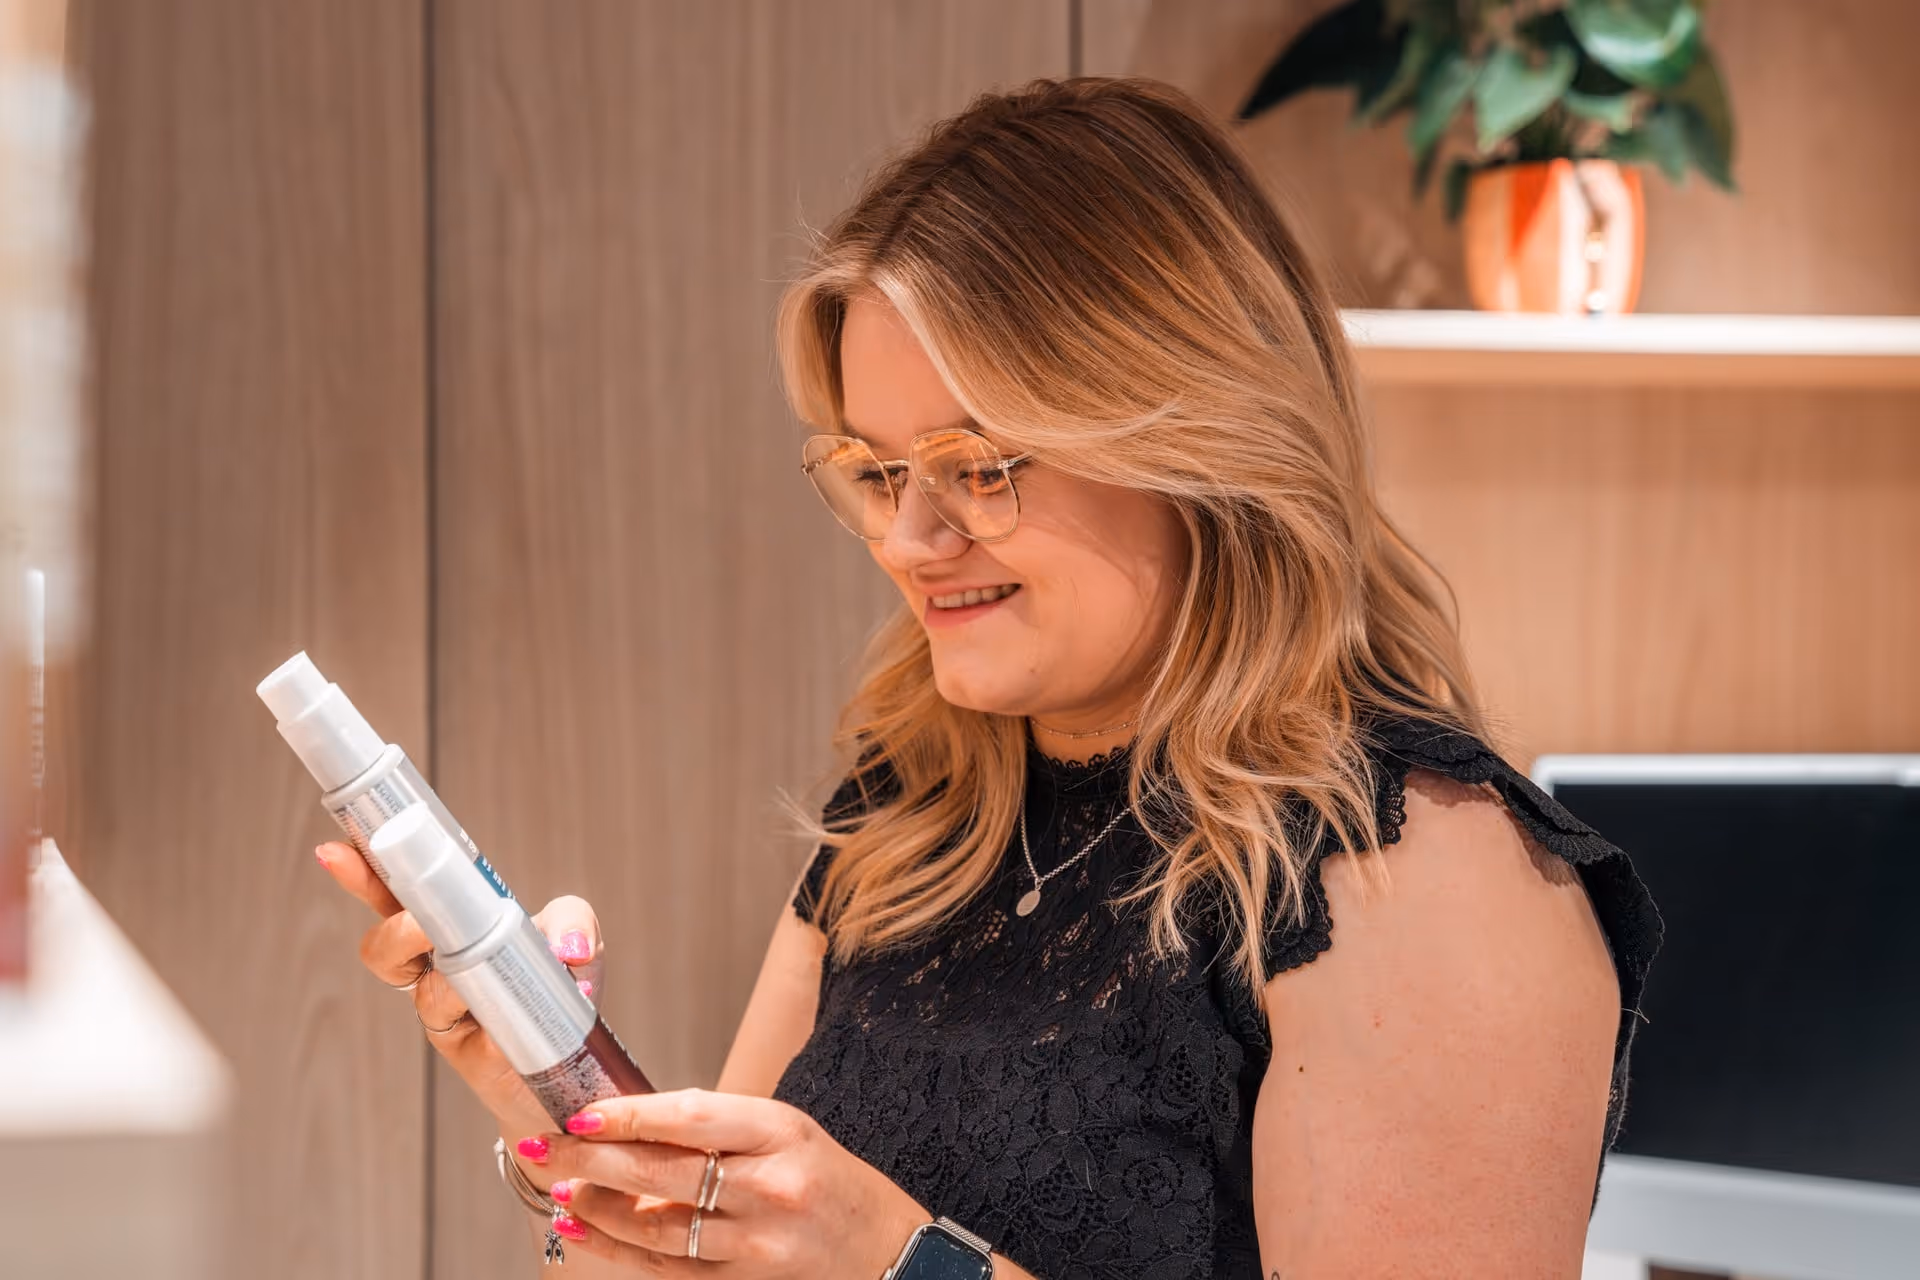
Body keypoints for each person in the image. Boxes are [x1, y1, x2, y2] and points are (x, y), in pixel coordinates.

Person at [320, 76, 1660, 1278]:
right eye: (877, 472)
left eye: (978, 465)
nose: (911, 541)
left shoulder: (1419, 872)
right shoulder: (908, 824)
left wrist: (899, 1266)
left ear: (1198, 437)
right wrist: (561, 1111)